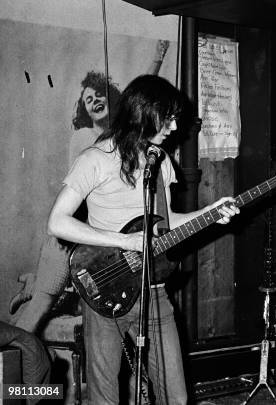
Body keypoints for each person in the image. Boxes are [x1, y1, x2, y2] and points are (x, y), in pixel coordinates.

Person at [46, 74, 239, 404]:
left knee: (176, 397)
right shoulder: (95, 159)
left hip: (154, 290)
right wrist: (124, 242)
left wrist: (210, 214)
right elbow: (57, 223)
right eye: (169, 117)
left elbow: (164, 225)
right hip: (104, 289)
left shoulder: (159, 160)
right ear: (144, 113)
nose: (175, 127)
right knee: (104, 396)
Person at [11, 40, 171, 333]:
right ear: (83, 109)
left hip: (99, 243)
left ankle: (33, 285)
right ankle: (12, 358)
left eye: (100, 94)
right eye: (88, 99)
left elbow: (142, 103)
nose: (95, 99)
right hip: (73, 236)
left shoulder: (128, 138)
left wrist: (156, 63)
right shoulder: (86, 139)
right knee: (43, 303)